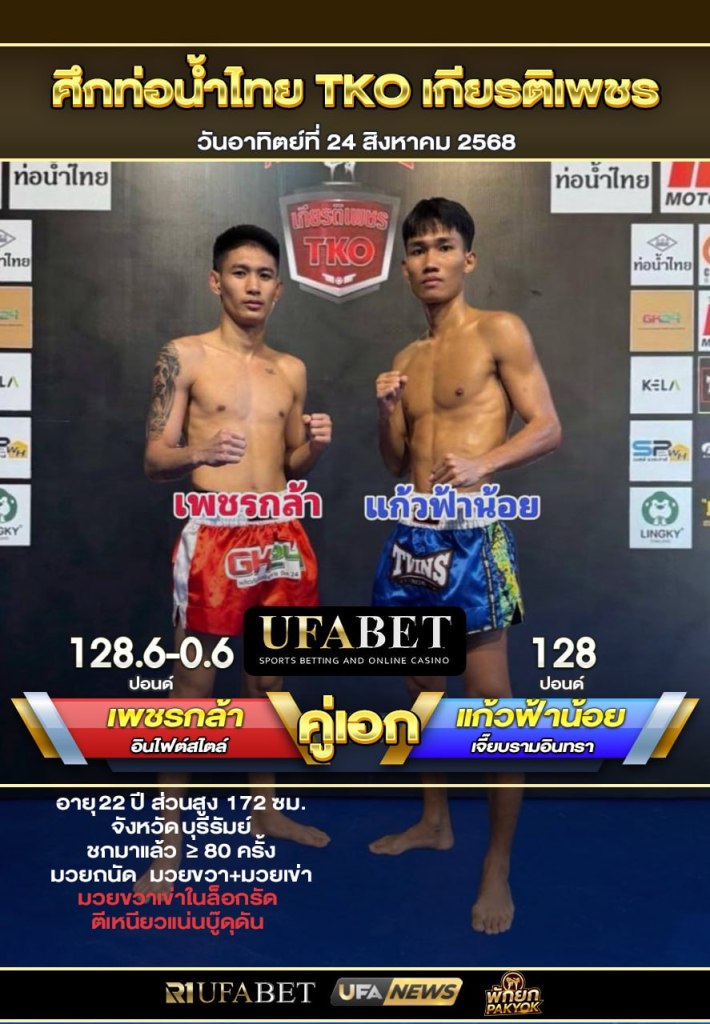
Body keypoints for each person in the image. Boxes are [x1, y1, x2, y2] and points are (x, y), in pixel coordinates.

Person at [371, 197, 561, 934]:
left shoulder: (498, 330)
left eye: (443, 246)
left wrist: (487, 462)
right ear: (406, 266)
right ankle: (434, 821)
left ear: (467, 259)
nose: (430, 260)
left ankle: (497, 865)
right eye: (418, 249)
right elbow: (396, 463)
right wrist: (386, 413)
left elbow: (547, 426)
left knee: (491, 707)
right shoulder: (406, 359)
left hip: (473, 538)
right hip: (410, 537)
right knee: (422, 691)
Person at [134, 224, 332, 894]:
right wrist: (200, 451)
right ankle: (167, 845)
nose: (253, 286)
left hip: (279, 534)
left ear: (279, 289)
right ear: (216, 281)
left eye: (265, 275)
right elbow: (154, 459)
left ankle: (265, 809)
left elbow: (291, 462)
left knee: (269, 680)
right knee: (193, 687)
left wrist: (315, 448)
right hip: (214, 538)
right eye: (241, 273)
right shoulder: (184, 356)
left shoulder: (291, 369)